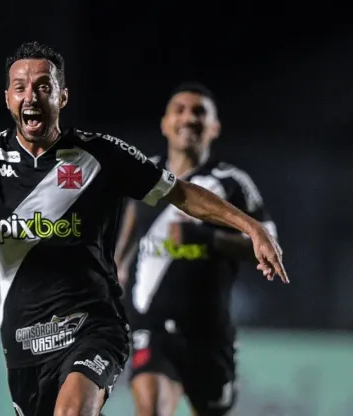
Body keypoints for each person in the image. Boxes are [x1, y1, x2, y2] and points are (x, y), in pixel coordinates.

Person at [0, 42, 288, 416]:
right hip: (24, 342)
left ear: (62, 96)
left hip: (94, 327)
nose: (32, 96)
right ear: (9, 98)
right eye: (20, 87)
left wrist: (251, 226)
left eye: (43, 86)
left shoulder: (103, 155)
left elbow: (182, 192)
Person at [113, 82, 278, 416]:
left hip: (209, 332)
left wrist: (207, 238)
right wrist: (116, 270)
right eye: (180, 110)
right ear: (165, 123)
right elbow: (129, 233)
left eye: (199, 112)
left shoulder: (232, 183)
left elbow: (267, 246)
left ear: (214, 127)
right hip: (152, 326)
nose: (188, 118)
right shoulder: (145, 176)